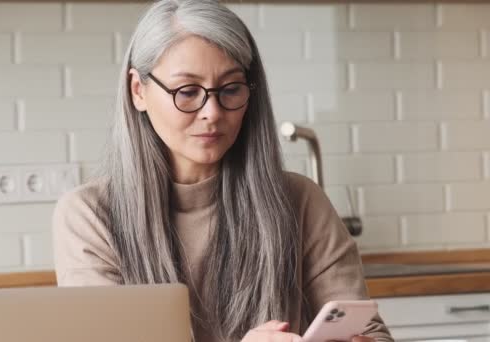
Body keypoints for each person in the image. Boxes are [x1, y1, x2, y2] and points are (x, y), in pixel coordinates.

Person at [53, 1, 393, 341]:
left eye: (231, 89)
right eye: (187, 92)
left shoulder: (301, 200)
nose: (212, 112)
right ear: (138, 91)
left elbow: (370, 332)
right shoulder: (90, 215)